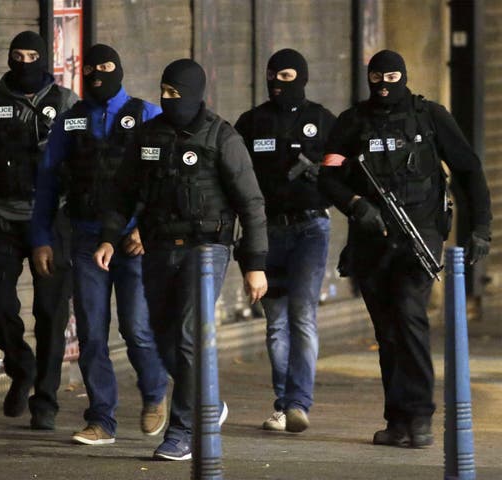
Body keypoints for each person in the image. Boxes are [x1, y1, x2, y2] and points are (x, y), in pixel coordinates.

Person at [93, 58, 269, 460]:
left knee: (190, 338)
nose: (168, 100)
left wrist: (254, 265)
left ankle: (184, 430)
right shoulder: (147, 136)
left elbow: (252, 204)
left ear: (194, 94)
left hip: (207, 250)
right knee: (163, 336)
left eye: (176, 94)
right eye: (164, 93)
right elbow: (122, 193)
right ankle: (207, 401)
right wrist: (108, 238)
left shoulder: (222, 137)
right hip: (158, 248)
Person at [318, 49, 491, 448]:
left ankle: (420, 417)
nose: (383, 86)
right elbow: (328, 177)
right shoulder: (352, 122)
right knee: (388, 333)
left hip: (420, 236)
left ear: (404, 76)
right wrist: (356, 205)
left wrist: (480, 228)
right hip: (371, 242)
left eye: (391, 78)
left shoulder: (430, 117)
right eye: (376, 78)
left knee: (410, 319)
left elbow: (468, 171)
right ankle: (397, 420)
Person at [31, 44, 169, 446]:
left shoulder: (146, 115)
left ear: (120, 69)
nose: (96, 74)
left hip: (134, 241)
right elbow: (47, 185)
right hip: (86, 237)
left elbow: (165, 178)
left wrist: (145, 229)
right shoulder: (70, 121)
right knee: (91, 332)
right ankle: (102, 419)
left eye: (105, 67)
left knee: (137, 327)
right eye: (89, 67)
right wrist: (41, 238)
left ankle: (155, 392)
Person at [0, 31, 77, 430]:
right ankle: (22, 367)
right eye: (17, 55)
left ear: (44, 59)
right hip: (0, 220)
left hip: (52, 221)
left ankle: (46, 402)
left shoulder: (66, 103)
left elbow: (86, 161)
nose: (24, 63)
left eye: (31, 56)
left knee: (50, 315)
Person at [234, 48, 335, 433]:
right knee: (275, 321)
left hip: (311, 229)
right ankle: (283, 403)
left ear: (303, 78)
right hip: (266, 231)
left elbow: (345, 171)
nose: (277, 83)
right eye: (271, 75)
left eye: (287, 76)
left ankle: (298, 403)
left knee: (302, 315)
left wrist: (321, 183)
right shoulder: (252, 122)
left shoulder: (322, 120)